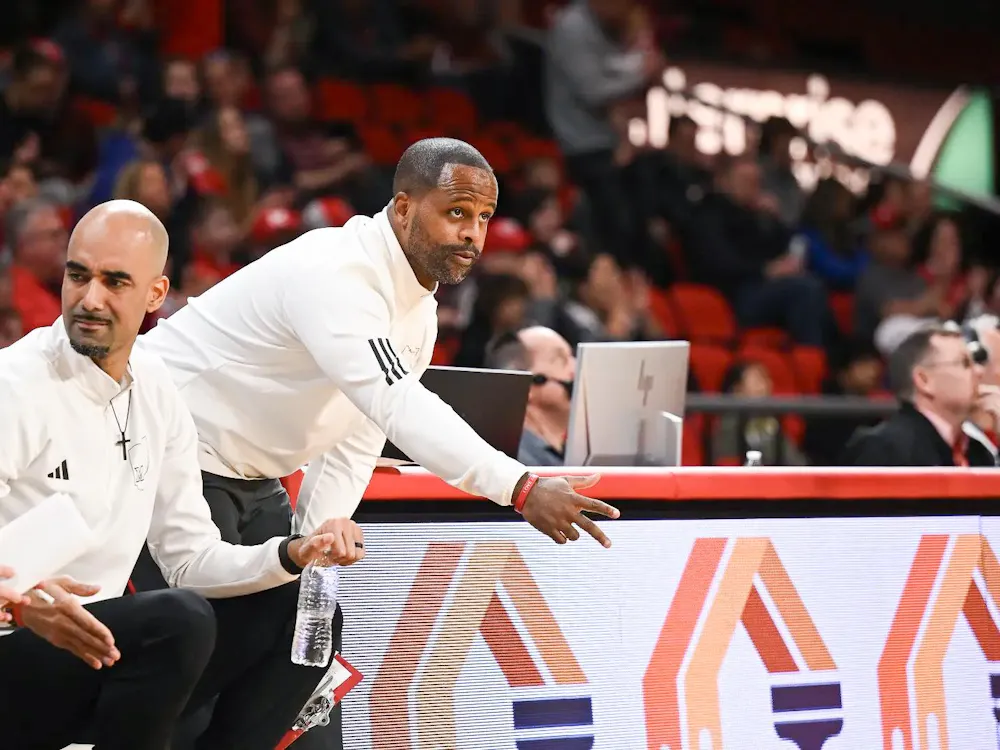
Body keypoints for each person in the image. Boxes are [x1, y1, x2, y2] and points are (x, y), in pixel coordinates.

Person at [0, 200, 363, 750]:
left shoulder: (155, 386)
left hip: (95, 650)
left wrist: (290, 554)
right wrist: (21, 603)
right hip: (15, 647)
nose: (89, 299)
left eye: (115, 281)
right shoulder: (16, 384)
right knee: (178, 621)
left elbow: (191, 559)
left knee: (296, 607)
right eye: (78, 276)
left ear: (154, 293)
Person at [142, 138, 619, 550]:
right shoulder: (339, 271)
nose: (473, 232)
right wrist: (520, 486)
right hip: (161, 444)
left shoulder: (416, 312)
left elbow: (356, 439)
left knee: (287, 623)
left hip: (248, 472)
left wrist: (313, 545)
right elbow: (396, 403)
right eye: (457, 212)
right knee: (195, 639)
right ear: (405, 207)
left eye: (484, 216)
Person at [841, 326, 1000, 466]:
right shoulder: (883, 448)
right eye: (965, 363)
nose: (979, 372)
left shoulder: (977, 453)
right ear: (924, 380)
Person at [485, 326, 576, 466]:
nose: (576, 366)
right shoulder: (517, 466)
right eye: (561, 360)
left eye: (572, 357)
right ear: (524, 385)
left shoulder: (573, 454)